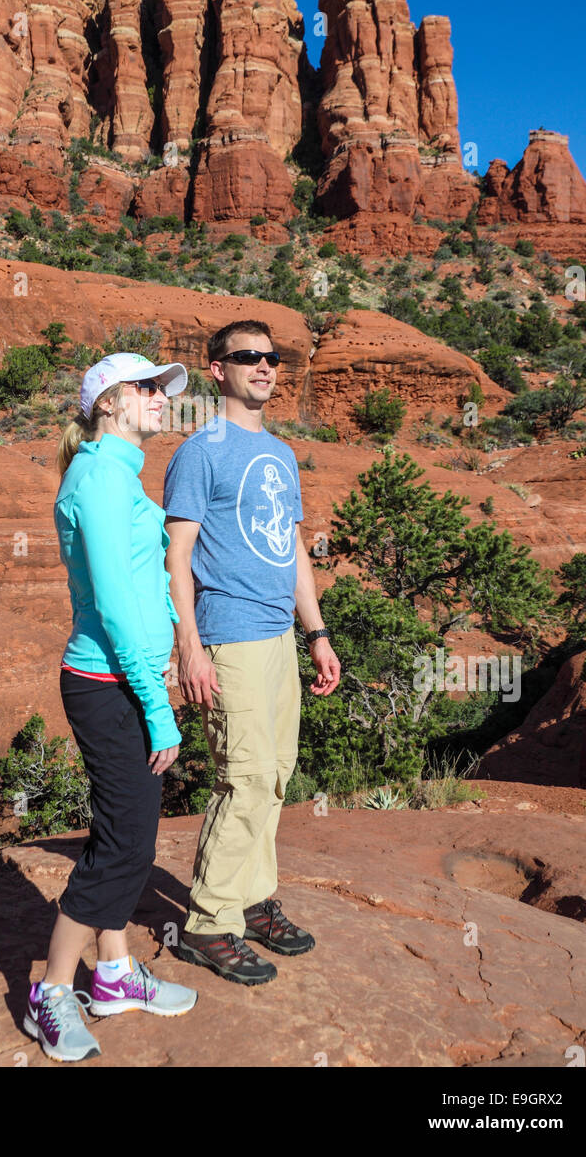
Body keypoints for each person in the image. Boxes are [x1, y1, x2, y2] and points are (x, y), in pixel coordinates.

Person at [24, 351, 199, 1062]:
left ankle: (116, 974)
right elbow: (118, 606)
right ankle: (50, 992)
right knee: (127, 844)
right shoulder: (98, 478)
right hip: (107, 685)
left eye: (163, 388)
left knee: (121, 833)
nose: (161, 397)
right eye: (146, 387)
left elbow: (146, 586)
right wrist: (156, 705)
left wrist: (165, 655)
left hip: (125, 677)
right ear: (107, 402)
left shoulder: (117, 474)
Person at [163, 320, 342, 985]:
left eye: (272, 357)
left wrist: (316, 633)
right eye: (247, 357)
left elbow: (291, 548)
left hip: (276, 635)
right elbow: (176, 554)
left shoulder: (280, 453)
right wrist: (189, 647)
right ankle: (208, 923)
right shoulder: (199, 451)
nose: (264, 367)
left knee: (275, 773)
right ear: (217, 369)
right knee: (243, 776)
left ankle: (252, 897)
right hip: (228, 633)